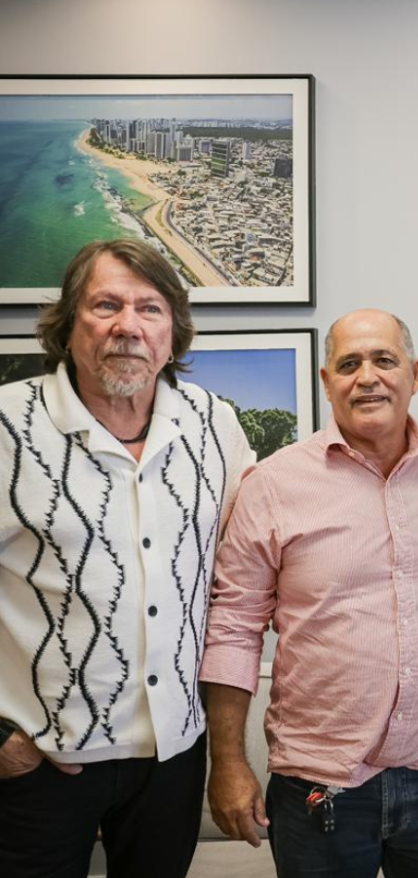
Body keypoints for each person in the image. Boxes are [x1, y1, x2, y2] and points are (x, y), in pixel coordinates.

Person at [200, 309, 418, 878]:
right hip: (320, 787)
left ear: (414, 374)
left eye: (384, 360)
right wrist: (228, 762)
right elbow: (232, 627)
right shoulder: (273, 486)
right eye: (350, 364)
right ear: (328, 381)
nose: (367, 376)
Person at [0, 238, 254, 878]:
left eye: (149, 308)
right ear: (69, 323)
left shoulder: (213, 423)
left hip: (172, 757)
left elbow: (272, 531)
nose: (127, 326)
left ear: (173, 330)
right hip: (39, 761)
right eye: (105, 305)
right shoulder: (7, 424)